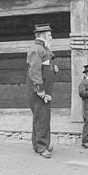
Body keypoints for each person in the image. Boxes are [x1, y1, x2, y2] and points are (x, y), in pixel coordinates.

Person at [25, 23, 58, 158]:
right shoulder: (36, 49)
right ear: (43, 35)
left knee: (41, 117)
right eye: (49, 35)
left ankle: (38, 144)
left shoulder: (43, 48)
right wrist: (40, 90)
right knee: (42, 118)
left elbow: (47, 60)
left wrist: (53, 67)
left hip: (44, 89)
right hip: (39, 90)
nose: (51, 37)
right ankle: (42, 147)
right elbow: (35, 71)